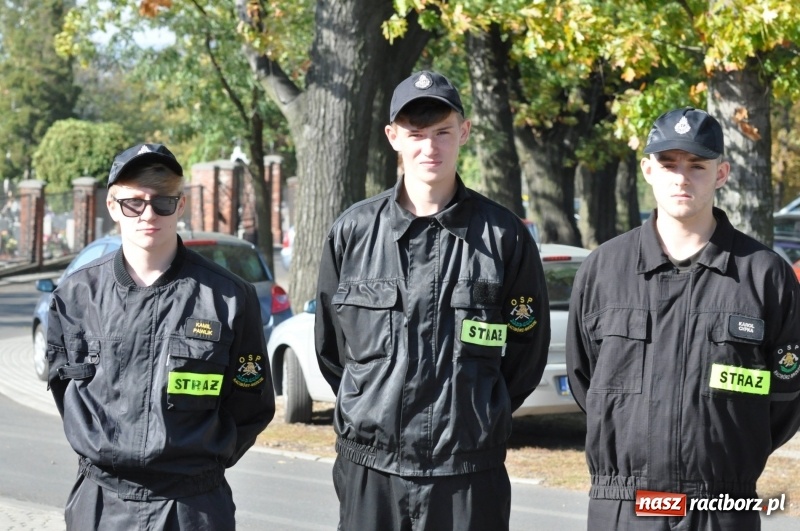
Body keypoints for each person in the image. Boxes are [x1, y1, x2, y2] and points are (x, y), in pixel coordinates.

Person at [314, 70, 551, 530]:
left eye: (442, 132)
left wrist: (481, 413)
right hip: (371, 468)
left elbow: (525, 354)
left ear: (463, 132)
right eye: (416, 135)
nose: (430, 148)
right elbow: (333, 351)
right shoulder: (353, 232)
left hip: (466, 472)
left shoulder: (504, 237)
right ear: (393, 138)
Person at [566, 107, 800, 530]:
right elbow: (587, 384)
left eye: (697, 165)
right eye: (668, 163)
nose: (681, 177)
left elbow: (784, 399)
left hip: (722, 507)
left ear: (722, 173)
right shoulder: (604, 269)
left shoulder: (764, 274)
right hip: (624, 506)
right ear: (647, 170)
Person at [46, 143, 275, 530]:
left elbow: (250, 402)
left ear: (180, 206)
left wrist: (197, 457)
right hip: (102, 504)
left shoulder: (229, 297)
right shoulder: (75, 295)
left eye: (162, 202)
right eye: (134, 202)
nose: (148, 214)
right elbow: (63, 390)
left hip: (193, 505)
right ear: (113, 207)